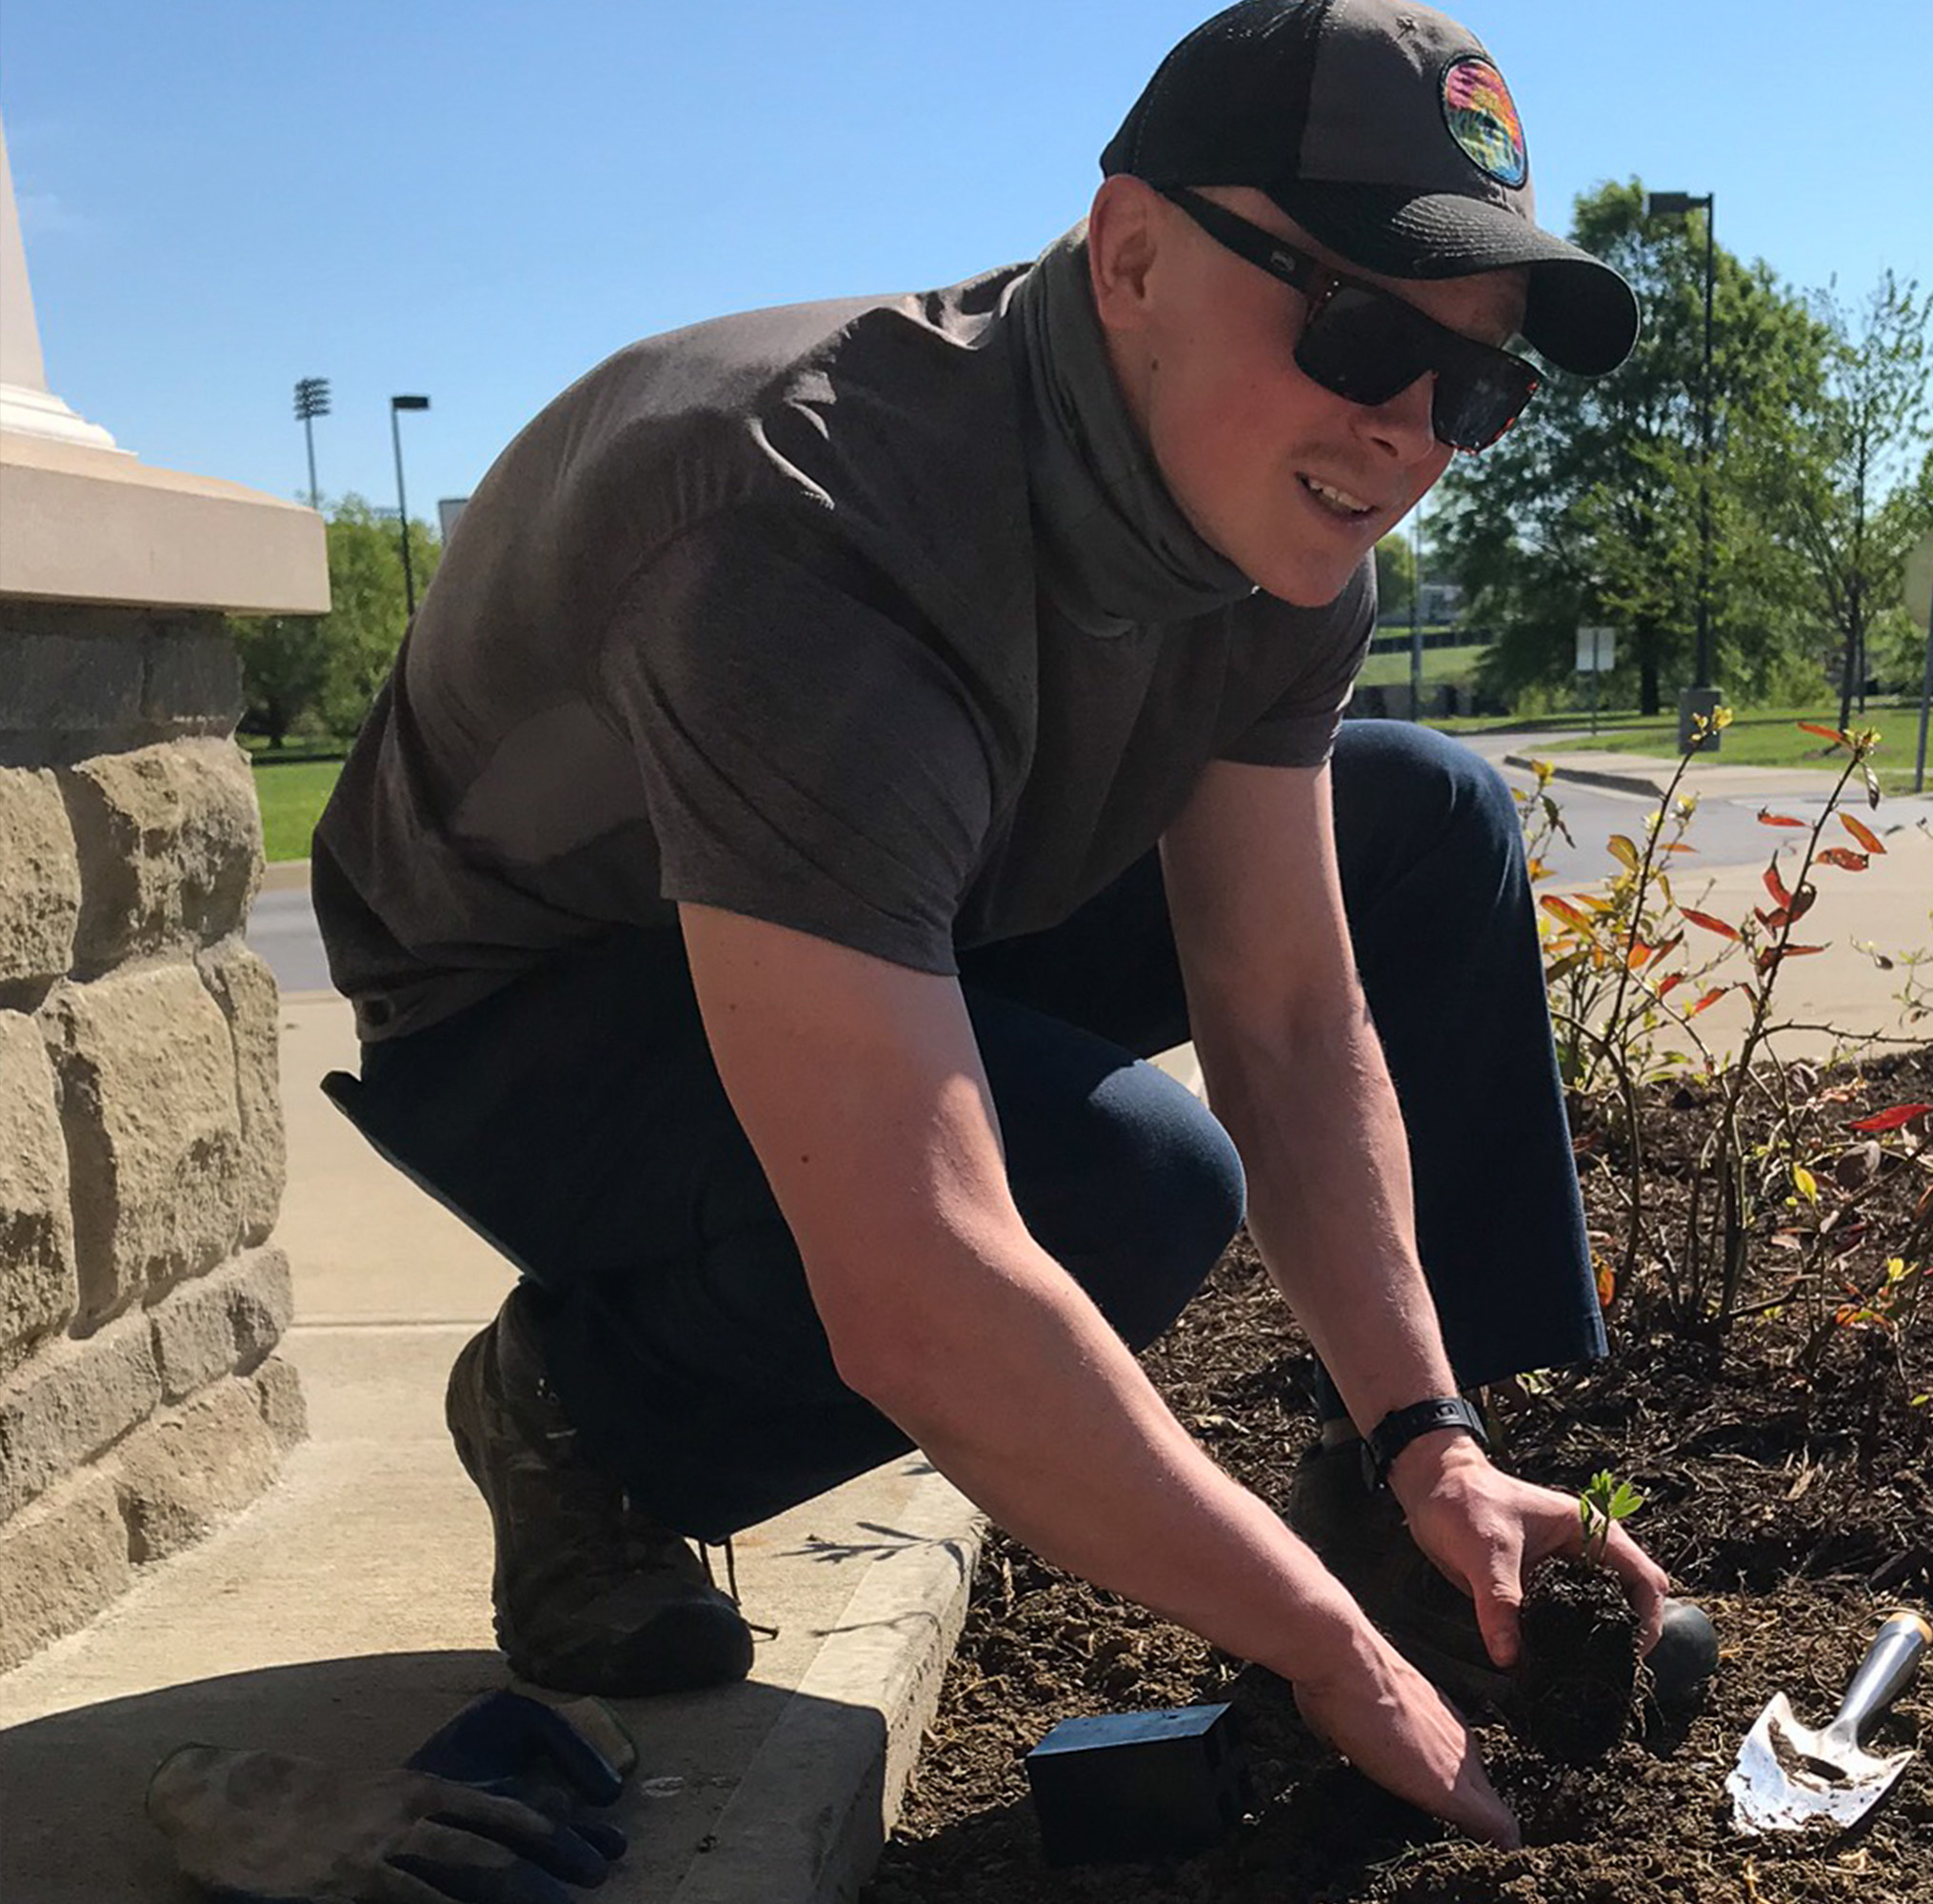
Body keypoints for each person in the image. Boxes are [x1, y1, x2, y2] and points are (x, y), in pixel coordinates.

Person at [312, 0, 1709, 1849]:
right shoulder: (811, 528)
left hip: (884, 875)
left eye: (1471, 388)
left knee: (1426, 822)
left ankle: (1446, 1547)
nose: (1403, 432)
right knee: (1117, 1183)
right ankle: (581, 1408)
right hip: (536, 993)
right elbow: (927, 1286)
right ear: (1130, 255)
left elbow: (1283, 1016)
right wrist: (1312, 1656)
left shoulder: (1274, 540)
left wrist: (1423, 1430)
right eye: (1363, 326)